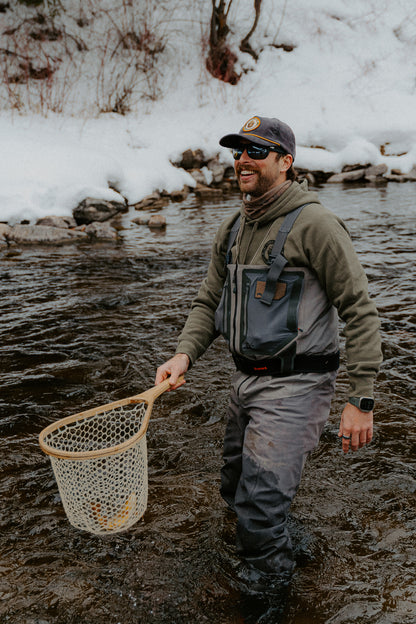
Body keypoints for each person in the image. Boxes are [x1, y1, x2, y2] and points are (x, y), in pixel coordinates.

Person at [155, 115, 382, 591]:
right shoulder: (234, 227)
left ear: (286, 162)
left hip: (297, 385)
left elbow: (359, 311)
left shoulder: (317, 225)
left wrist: (361, 399)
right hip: (244, 383)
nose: (243, 160)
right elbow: (208, 302)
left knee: (257, 510)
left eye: (256, 151)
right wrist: (184, 355)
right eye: (238, 151)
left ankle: (268, 599)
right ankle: (285, 549)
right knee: (234, 489)